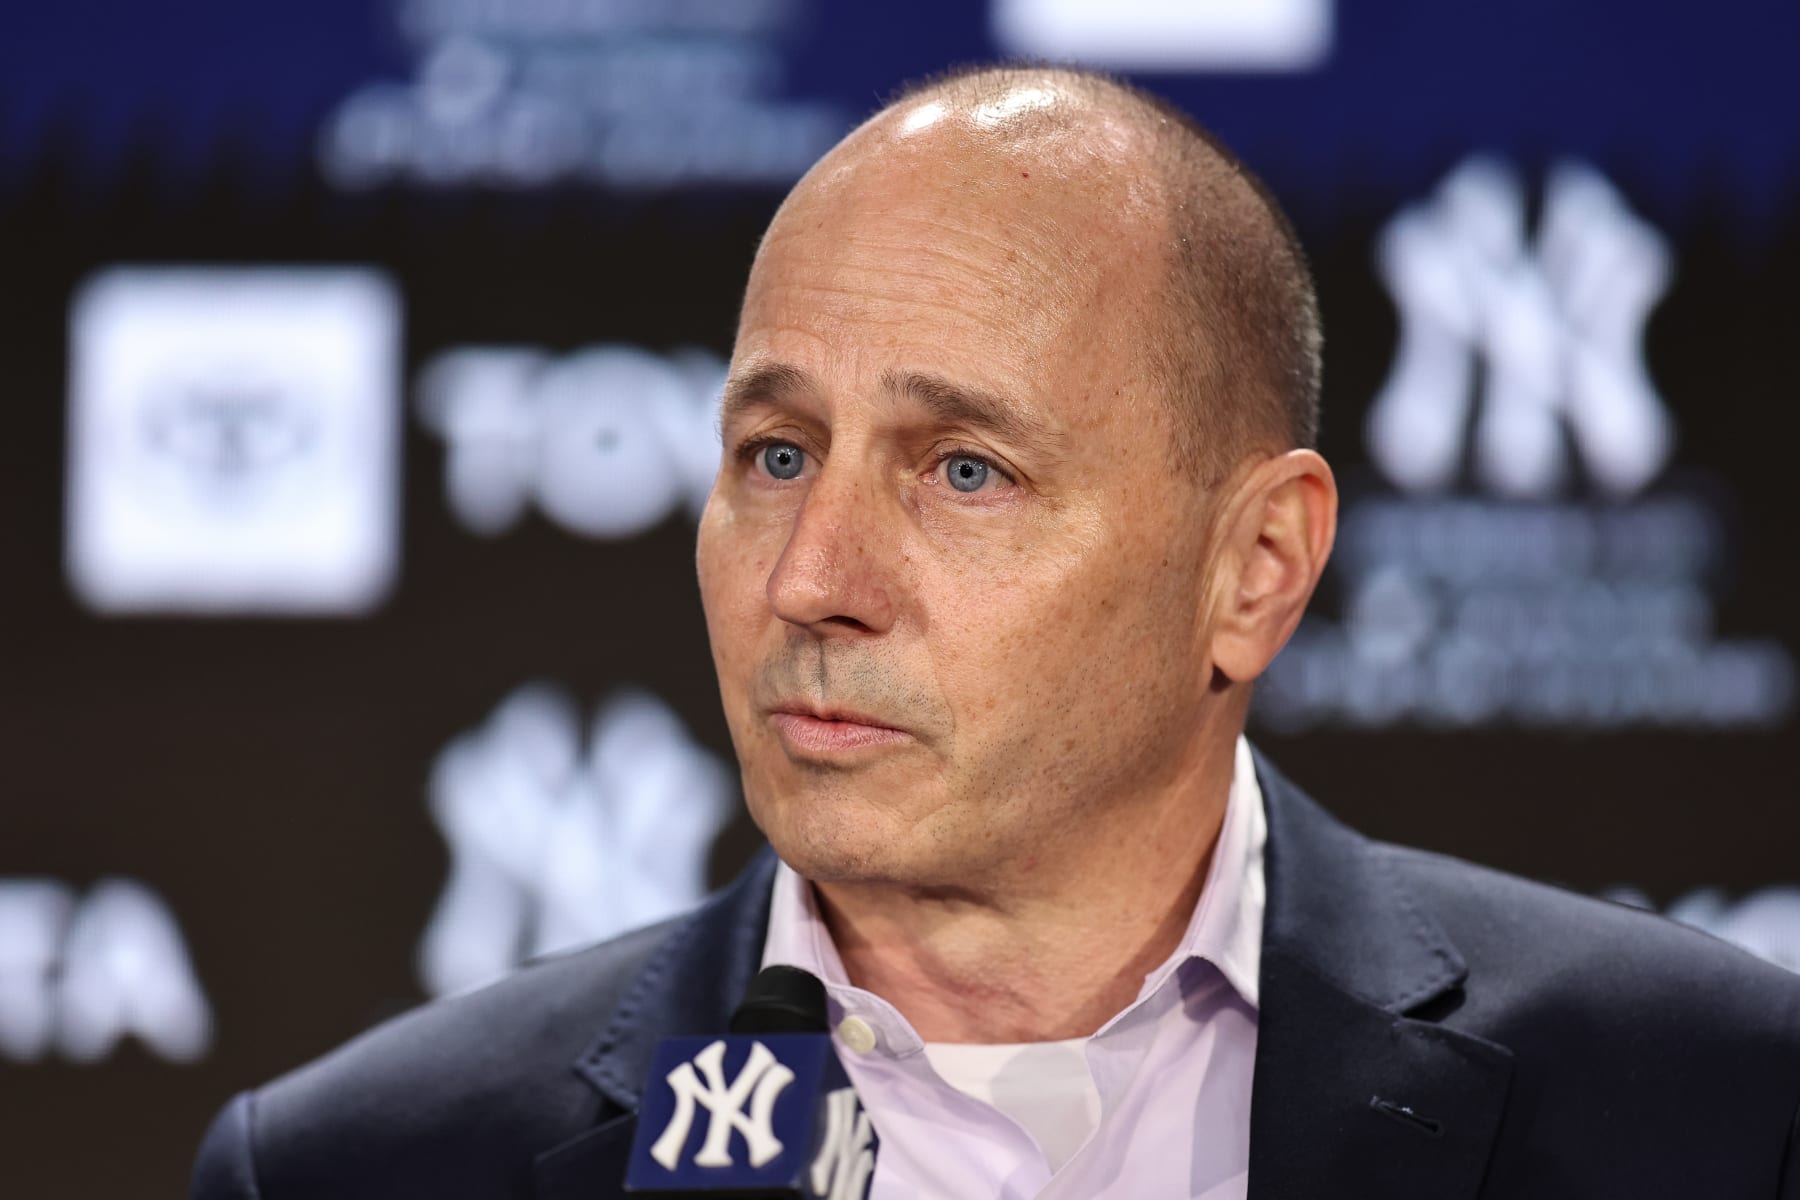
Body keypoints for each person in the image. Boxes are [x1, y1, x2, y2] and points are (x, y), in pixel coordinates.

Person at [191, 65, 1800, 1200]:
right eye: (776, 455)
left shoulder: (1712, 1113)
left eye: (965, 470)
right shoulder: (361, 1167)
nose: (814, 576)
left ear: (1254, 569)